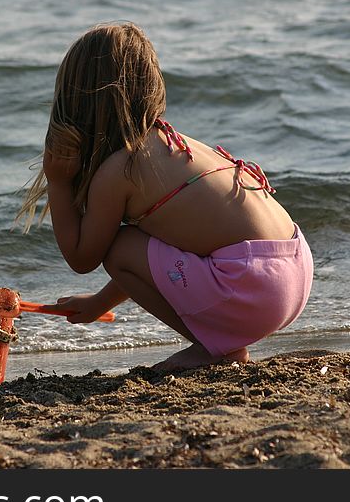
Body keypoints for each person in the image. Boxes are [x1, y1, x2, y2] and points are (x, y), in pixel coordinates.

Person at [17, 22, 313, 372]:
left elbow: (82, 258)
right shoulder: (176, 145)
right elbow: (157, 260)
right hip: (294, 269)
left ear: (78, 102)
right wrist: (101, 301)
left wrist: (59, 182)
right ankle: (222, 341)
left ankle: (215, 349)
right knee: (144, 242)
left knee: (118, 246)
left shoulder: (120, 170)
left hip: (253, 287)